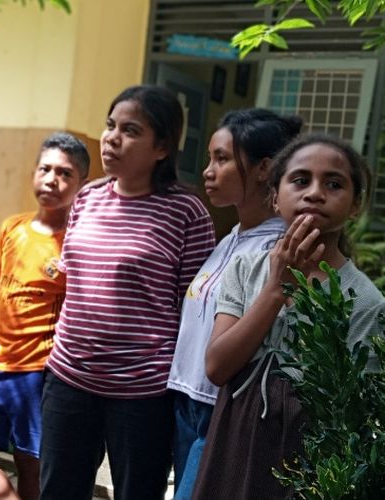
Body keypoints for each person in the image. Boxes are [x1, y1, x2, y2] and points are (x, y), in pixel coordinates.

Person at [40, 85, 215, 500]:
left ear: (163, 148)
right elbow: (75, 282)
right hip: (69, 379)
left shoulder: (186, 212)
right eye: (110, 125)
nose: (112, 138)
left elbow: (195, 309)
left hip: (143, 392)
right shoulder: (86, 198)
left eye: (131, 130)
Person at [192, 134, 385, 499]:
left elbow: (353, 417)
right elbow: (217, 366)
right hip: (233, 436)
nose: (314, 193)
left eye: (333, 184)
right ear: (275, 197)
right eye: (300, 180)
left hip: (307, 458)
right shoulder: (245, 269)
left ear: (356, 205)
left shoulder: (366, 302)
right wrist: (276, 288)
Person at [0, 132, 90, 500]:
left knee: (31, 464)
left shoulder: (78, 240)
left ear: (81, 184)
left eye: (65, 174)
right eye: (45, 168)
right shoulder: (13, 228)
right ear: (34, 173)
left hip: (40, 372)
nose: (52, 179)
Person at [166, 109, 302, 499]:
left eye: (222, 159)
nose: (209, 170)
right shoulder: (230, 239)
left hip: (222, 411)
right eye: (211, 158)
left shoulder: (276, 252)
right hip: (186, 402)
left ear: (264, 169)